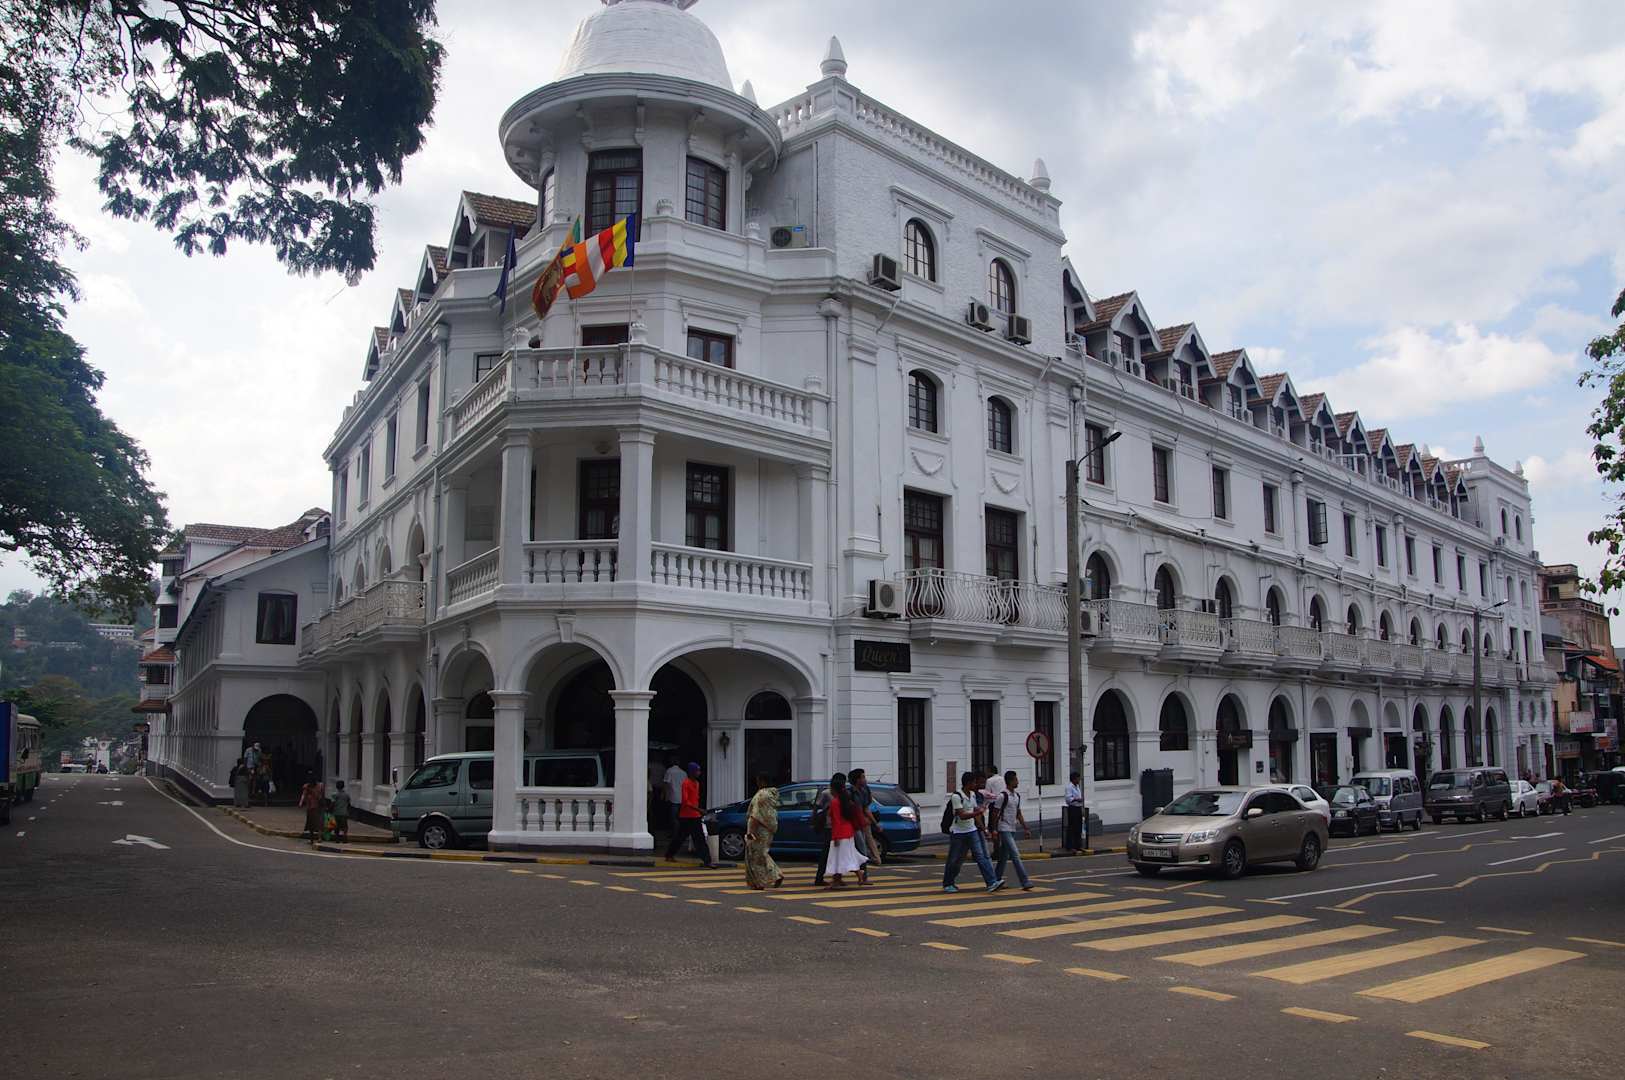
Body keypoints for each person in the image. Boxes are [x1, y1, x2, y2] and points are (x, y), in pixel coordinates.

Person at [943, 771, 1003, 893]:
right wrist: (977, 812)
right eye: (974, 782)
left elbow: (976, 813)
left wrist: (983, 829)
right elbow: (962, 815)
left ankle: (991, 882)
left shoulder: (972, 795)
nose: (976, 785)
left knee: (981, 856)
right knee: (955, 859)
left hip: (972, 831)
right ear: (968, 783)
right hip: (958, 833)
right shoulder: (956, 796)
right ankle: (948, 883)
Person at [821, 772, 868, 888]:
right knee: (845, 856)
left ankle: (844, 878)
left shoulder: (835, 802)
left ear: (834, 789)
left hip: (840, 833)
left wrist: (835, 837)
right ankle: (840, 879)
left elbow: (836, 821)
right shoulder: (845, 800)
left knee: (840, 857)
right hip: (848, 832)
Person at [990, 770, 1034, 890]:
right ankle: (1025, 881)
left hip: (1012, 828)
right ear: (1010, 781)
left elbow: (1018, 813)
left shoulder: (1016, 796)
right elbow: (994, 813)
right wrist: (994, 830)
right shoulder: (1002, 796)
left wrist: (1025, 827)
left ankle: (995, 879)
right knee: (1015, 854)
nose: (1017, 782)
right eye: (1015, 779)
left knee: (1004, 856)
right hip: (1004, 828)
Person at [665, 762, 714, 866]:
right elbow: (685, 801)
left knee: (699, 839)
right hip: (686, 816)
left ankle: (707, 861)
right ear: (691, 772)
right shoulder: (686, 783)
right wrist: (699, 809)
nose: (699, 773)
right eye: (697, 771)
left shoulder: (697, 783)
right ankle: (669, 854)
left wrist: (698, 811)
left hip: (695, 816)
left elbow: (695, 799)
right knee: (680, 837)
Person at [744, 775, 784, 890]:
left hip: (758, 828)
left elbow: (755, 815)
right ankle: (775, 875)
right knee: (762, 854)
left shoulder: (761, 795)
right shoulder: (771, 794)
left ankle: (759, 882)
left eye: (758, 781)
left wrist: (750, 831)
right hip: (768, 828)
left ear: (762, 781)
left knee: (755, 856)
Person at [848, 767, 883, 867]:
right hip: (855, 823)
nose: (865, 779)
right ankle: (862, 865)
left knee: (868, 841)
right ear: (857, 780)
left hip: (864, 821)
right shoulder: (850, 793)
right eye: (863, 777)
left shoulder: (865, 790)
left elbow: (866, 808)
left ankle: (873, 859)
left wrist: (875, 823)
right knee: (860, 844)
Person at [811, 779, 837, 886]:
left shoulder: (842, 793)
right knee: (826, 852)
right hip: (829, 826)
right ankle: (819, 877)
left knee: (835, 853)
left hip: (837, 826)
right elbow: (816, 806)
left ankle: (836, 877)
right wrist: (814, 820)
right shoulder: (826, 793)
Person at [663, 757, 688, 838]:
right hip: (683, 798)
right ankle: (681, 833)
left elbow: (666, 784)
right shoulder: (684, 773)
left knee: (673, 818)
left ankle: (675, 834)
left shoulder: (669, 771)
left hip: (673, 797)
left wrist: (665, 795)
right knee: (682, 817)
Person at [1063, 770, 1085, 853]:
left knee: (1078, 828)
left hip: (1078, 808)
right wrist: (1076, 799)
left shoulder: (1077, 787)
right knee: (1072, 827)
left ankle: (1078, 846)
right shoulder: (1069, 787)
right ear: (1074, 779)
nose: (1079, 780)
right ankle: (1070, 846)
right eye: (1078, 779)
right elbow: (1068, 799)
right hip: (1072, 808)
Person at [297, 776, 323, 844]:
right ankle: (311, 839)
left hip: (317, 807)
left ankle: (319, 838)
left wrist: (312, 791)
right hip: (310, 807)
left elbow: (319, 797)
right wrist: (301, 802)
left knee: (318, 823)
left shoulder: (319, 786)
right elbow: (303, 794)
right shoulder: (307, 786)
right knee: (310, 824)